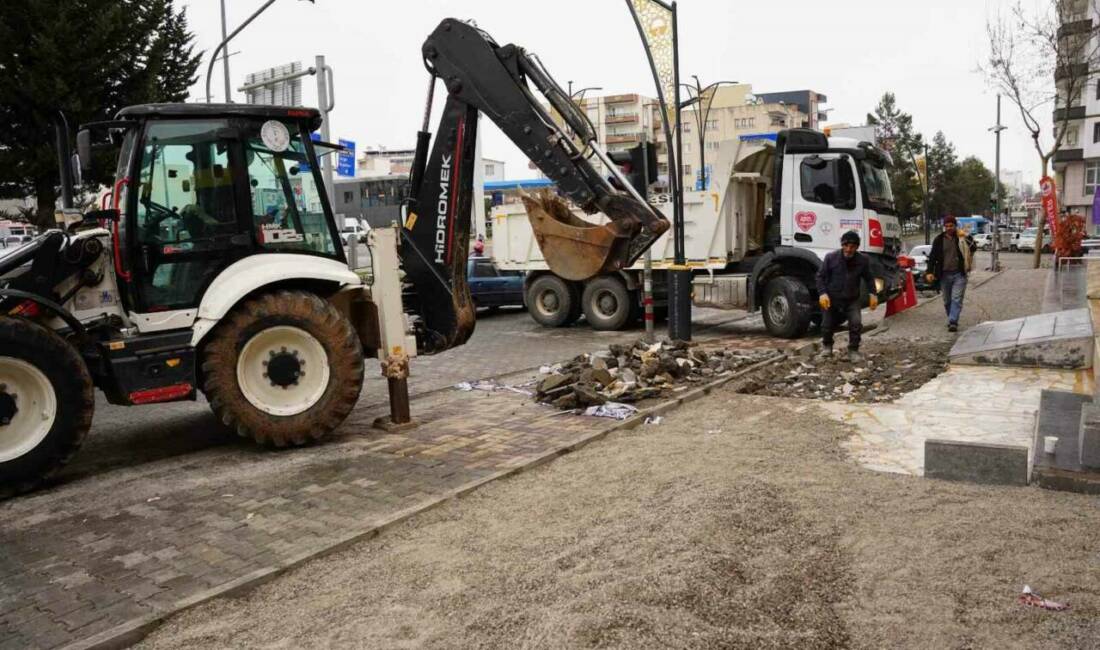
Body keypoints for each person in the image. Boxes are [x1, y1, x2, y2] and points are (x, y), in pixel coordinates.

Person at [816, 230, 878, 362]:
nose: (849, 249)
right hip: (831, 297)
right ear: (842, 245)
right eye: (846, 246)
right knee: (826, 324)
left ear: (857, 247)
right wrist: (822, 293)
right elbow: (820, 277)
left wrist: (873, 294)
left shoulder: (862, 260)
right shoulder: (830, 258)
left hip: (852, 298)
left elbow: (869, 278)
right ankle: (827, 347)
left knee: (856, 323)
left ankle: (853, 350)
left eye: (853, 247)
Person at [925, 215, 976, 332]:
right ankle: (951, 317)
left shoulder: (961, 238)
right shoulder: (939, 240)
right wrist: (929, 272)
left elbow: (974, 248)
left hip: (959, 274)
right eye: (946, 226)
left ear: (955, 226)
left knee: (956, 298)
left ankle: (953, 321)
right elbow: (932, 257)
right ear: (944, 227)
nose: (948, 228)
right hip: (944, 275)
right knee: (947, 300)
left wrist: (967, 237)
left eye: (951, 226)